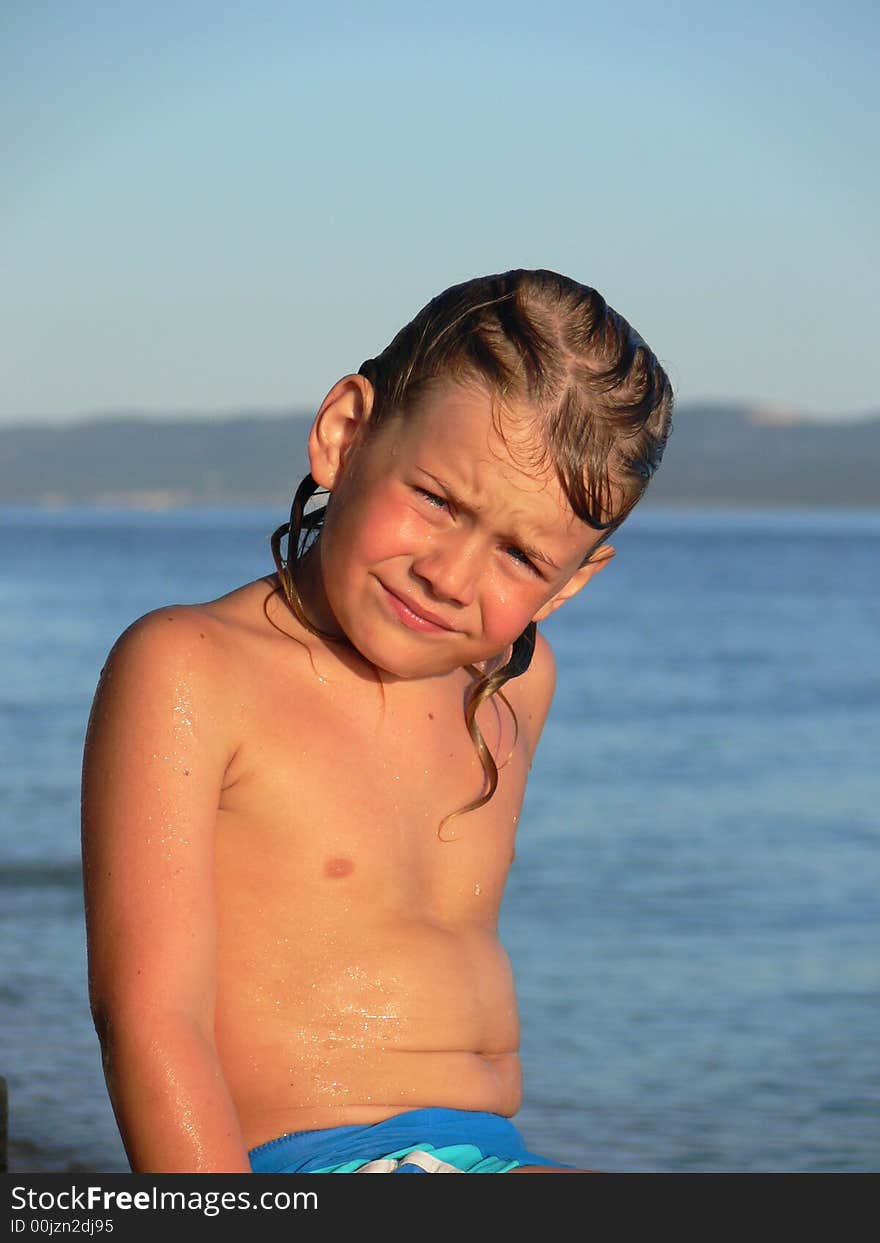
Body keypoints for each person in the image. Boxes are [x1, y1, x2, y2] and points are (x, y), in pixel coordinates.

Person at [81, 269, 673, 1174]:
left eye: (520, 554)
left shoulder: (514, 684)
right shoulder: (193, 666)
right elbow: (150, 1021)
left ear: (570, 583)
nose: (451, 573)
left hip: (487, 1156)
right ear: (345, 435)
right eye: (437, 500)